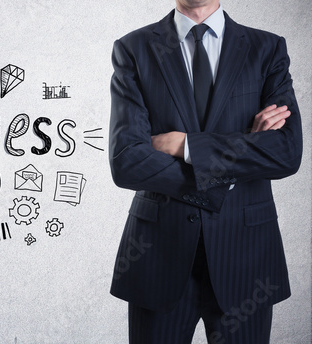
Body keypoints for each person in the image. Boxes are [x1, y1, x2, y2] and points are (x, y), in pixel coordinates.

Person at [108, 0, 303, 343]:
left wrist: (185, 146)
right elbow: (127, 160)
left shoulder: (266, 48)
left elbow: (286, 152)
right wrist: (240, 152)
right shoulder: (134, 49)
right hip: (158, 256)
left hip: (246, 258)